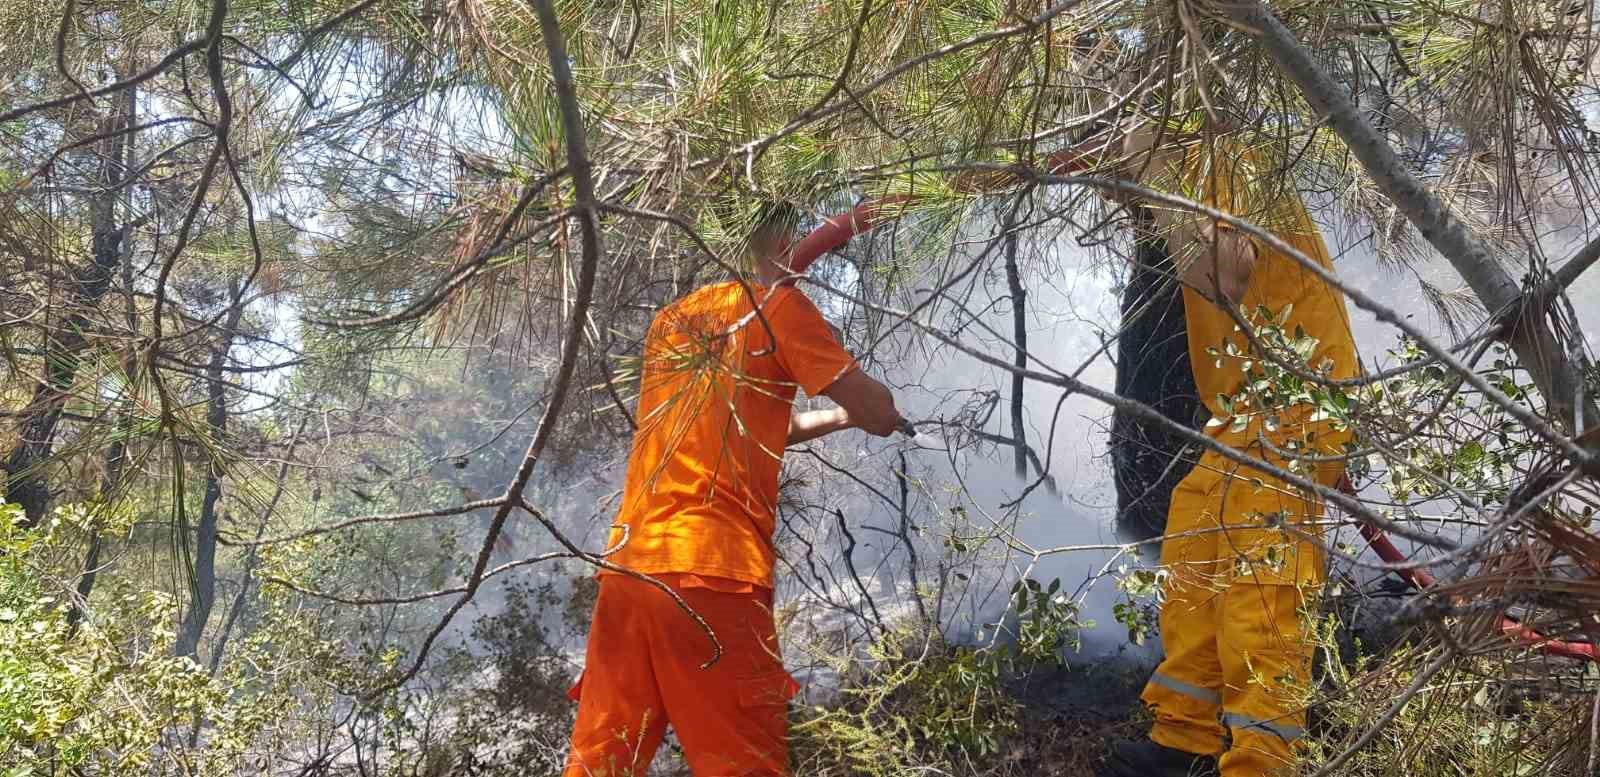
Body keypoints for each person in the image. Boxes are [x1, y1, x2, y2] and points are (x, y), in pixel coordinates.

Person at [562, 202, 904, 777]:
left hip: (630, 569)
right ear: (783, 242)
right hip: (712, 575)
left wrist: (838, 420)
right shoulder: (780, 309)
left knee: (602, 763)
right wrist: (878, 413)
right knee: (745, 762)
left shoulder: (675, 319)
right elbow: (874, 406)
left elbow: (757, 426)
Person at [1096, 119, 1360, 777]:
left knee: (1260, 594)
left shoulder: (1220, 159)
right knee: (1193, 564)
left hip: (1294, 405)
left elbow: (1224, 274)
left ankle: (1261, 760)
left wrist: (1146, 159)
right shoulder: (1192, 166)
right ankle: (1182, 742)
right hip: (1244, 410)